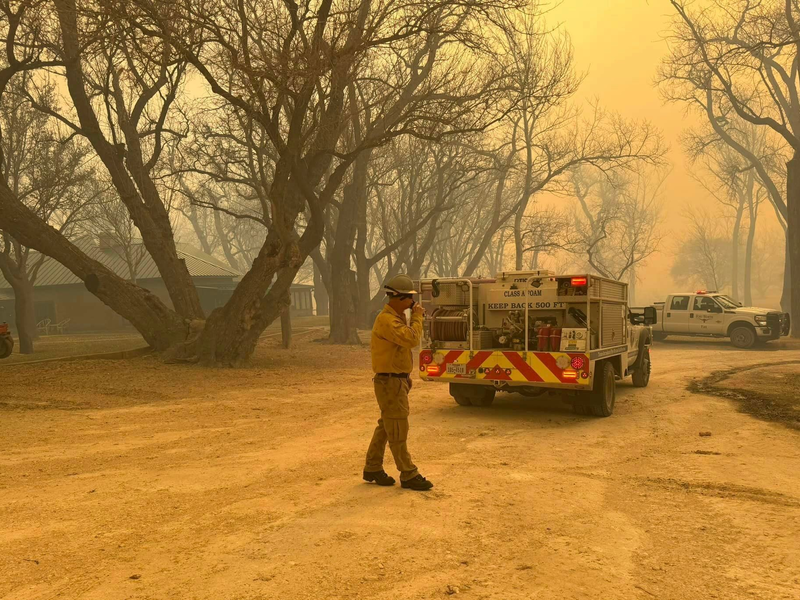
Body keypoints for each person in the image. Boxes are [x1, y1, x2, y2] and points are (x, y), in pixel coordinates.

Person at [363, 274, 434, 491]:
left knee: (387, 425)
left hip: (395, 381)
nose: (412, 302)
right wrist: (417, 317)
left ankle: (373, 467)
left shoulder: (396, 317)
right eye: (409, 298)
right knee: (398, 428)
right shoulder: (387, 320)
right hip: (390, 382)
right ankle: (408, 473)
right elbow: (411, 339)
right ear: (397, 298)